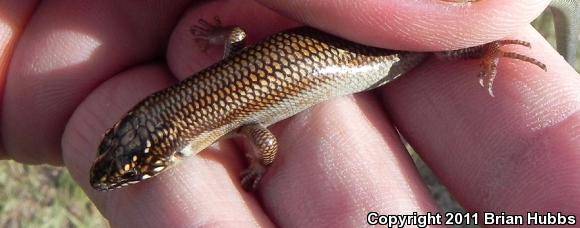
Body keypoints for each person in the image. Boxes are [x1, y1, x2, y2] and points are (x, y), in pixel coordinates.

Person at [1, 0, 578, 226]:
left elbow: (267, 145)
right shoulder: (218, 90)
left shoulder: (244, 122)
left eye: (139, 166)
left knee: (427, 49)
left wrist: (259, 166)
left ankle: (491, 43)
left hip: (391, 51)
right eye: (128, 160)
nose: (125, 169)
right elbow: (240, 37)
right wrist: (222, 33)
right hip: (330, 49)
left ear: (179, 145)